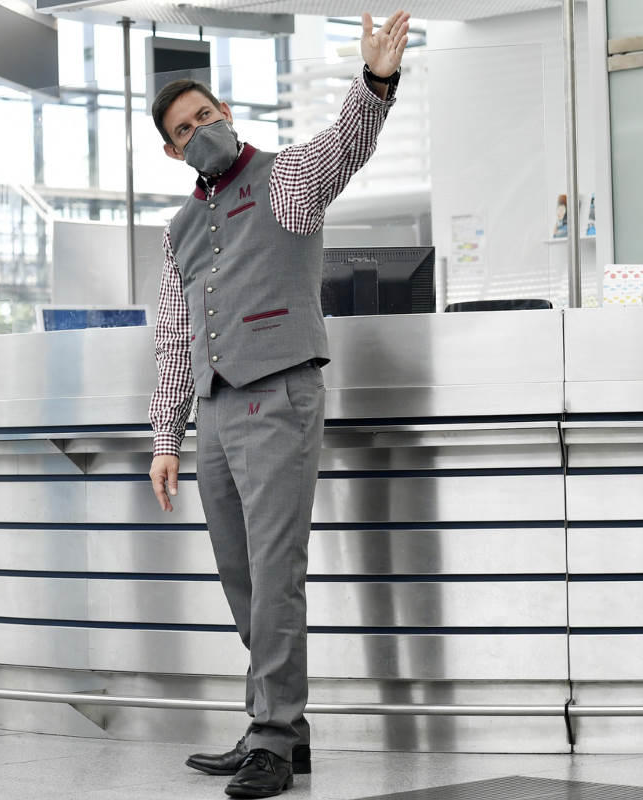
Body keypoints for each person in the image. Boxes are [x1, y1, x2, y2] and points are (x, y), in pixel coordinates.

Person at [146, 12, 410, 799]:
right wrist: (167, 436)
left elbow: (347, 144)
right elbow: (172, 337)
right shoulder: (179, 229)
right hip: (218, 412)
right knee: (240, 577)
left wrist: (376, 81)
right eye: (184, 129)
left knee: (275, 571)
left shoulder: (288, 180)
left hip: (282, 393)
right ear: (170, 150)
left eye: (207, 115)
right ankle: (281, 731)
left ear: (226, 111)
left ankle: (269, 733)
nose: (202, 130)